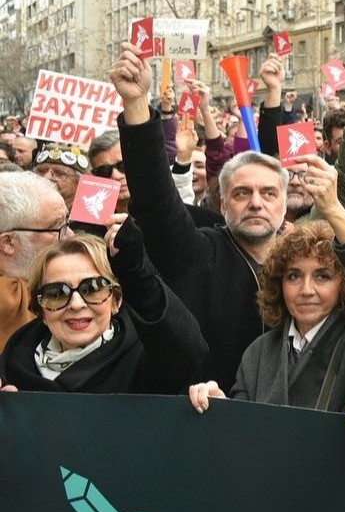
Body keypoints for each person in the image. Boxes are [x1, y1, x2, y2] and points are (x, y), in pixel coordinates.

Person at [110, 41, 285, 388]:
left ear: (284, 201)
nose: (256, 203)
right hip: (206, 419)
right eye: (241, 193)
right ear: (221, 202)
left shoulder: (302, 262)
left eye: (268, 193)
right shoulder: (200, 253)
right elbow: (157, 205)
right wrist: (136, 104)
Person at [186, 155, 345, 412]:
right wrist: (221, 407)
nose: (306, 290)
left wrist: (332, 209)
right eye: (294, 276)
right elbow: (243, 434)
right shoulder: (259, 353)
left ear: (344, 283)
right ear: (278, 284)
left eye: (322, 276)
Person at [0, 219, 206, 394]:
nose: (76, 304)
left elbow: (185, 351)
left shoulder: (144, 361)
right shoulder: (12, 369)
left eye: (92, 288)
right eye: (56, 293)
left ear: (115, 300)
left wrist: (137, 273)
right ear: (41, 310)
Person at [0, 172, 70, 351]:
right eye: (56, 227)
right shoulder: (8, 299)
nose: (70, 236)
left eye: (67, 223)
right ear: (8, 243)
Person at [33, 144, 88, 212]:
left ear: (79, 181)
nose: (47, 177)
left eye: (59, 173)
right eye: (41, 171)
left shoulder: (88, 218)